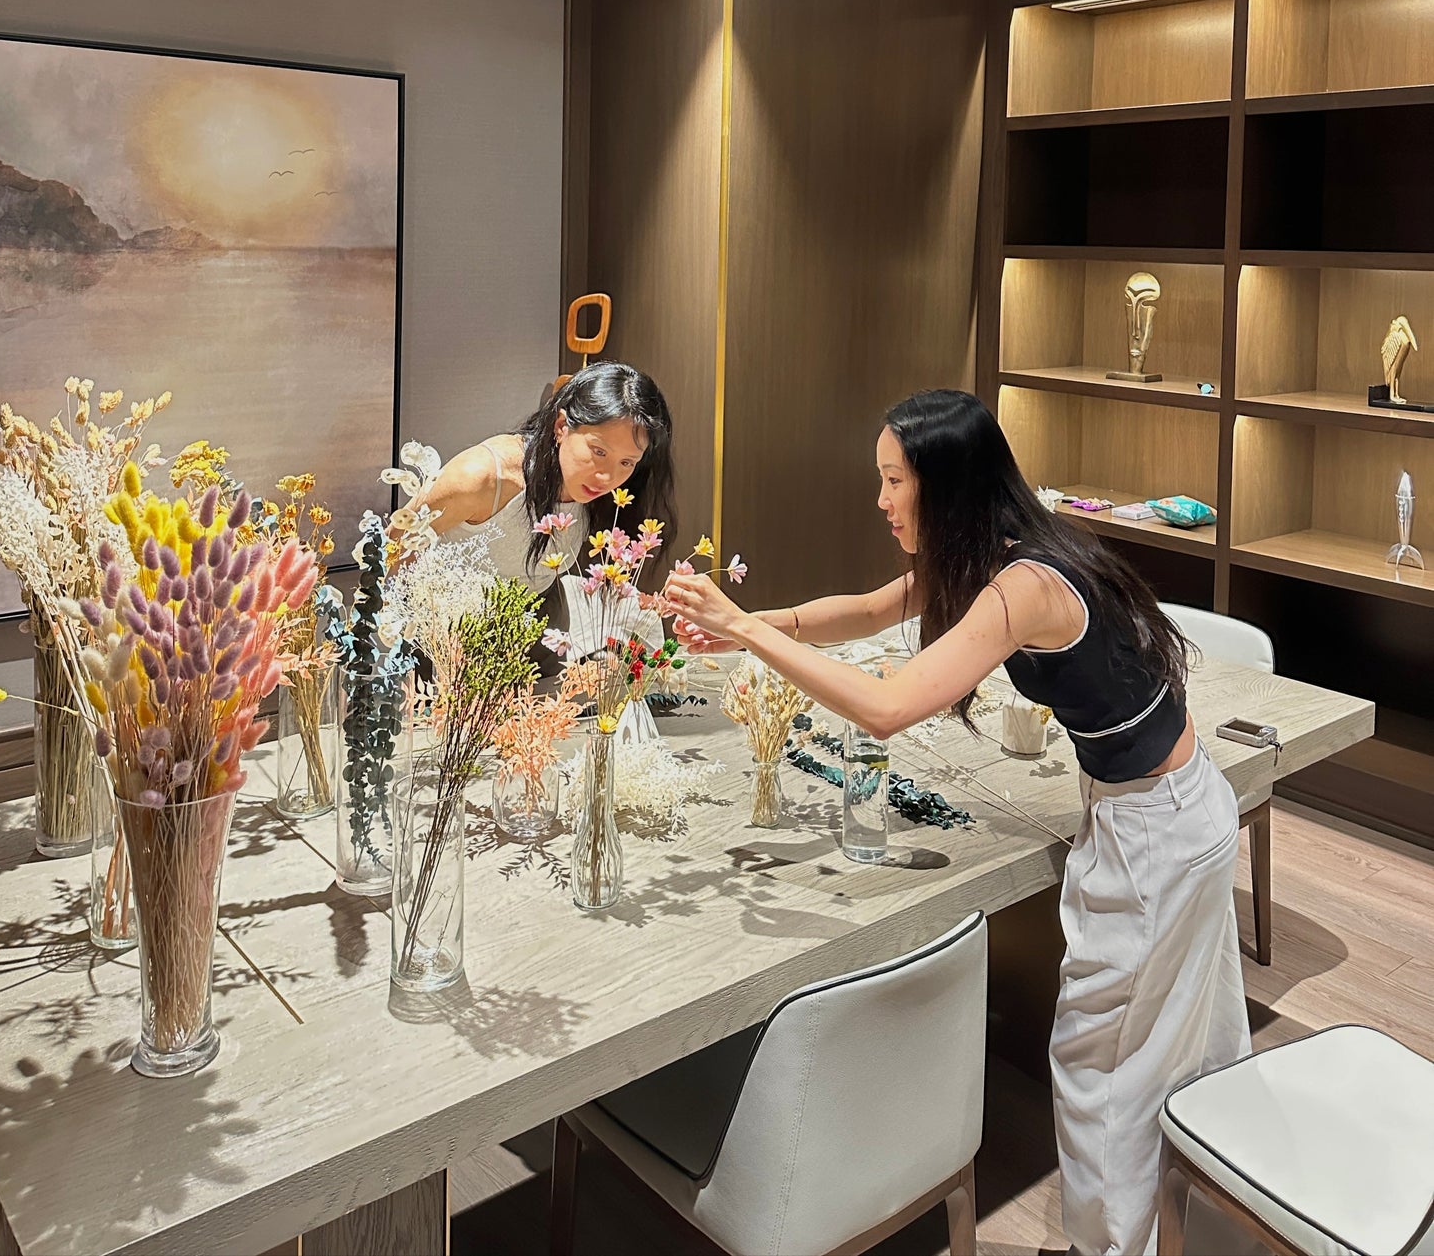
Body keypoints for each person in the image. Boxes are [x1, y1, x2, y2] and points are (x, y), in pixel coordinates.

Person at [666, 388, 1249, 1256]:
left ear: (945, 483)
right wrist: (750, 624)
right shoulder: (996, 552)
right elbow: (868, 611)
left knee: (1101, 1067)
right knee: (1179, 1040)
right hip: (1174, 809)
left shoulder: (1025, 584)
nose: (880, 499)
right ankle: (1208, 1228)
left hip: (1155, 834)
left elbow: (887, 707)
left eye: (892, 479)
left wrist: (748, 633)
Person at [409, 361, 677, 594]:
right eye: (598, 451)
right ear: (561, 426)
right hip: (442, 624)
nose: (607, 476)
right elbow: (395, 547)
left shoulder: (603, 494)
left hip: (535, 620)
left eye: (627, 462)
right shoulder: (482, 477)